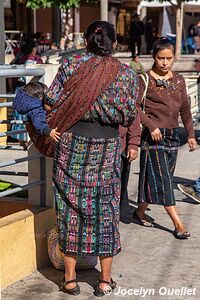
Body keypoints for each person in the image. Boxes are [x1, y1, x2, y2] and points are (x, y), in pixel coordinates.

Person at [39, 21, 138, 296]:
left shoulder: (70, 66)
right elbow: (129, 116)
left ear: (85, 40)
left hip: (70, 145)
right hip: (106, 148)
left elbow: (50, 101)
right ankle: (104, 281)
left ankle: (69, 279)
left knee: (69, 210)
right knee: (106, 211)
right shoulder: (127, 74)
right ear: (115, 44)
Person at [135, 37, 197, 239]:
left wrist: (190, 135)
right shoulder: (144, 79)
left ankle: (140, 210)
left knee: (161, 178)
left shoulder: (178, 80)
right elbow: (133, 107)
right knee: (164, 181)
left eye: (169, 58)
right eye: (161, 58)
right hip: (153, 137)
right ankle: (178, 224)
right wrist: (151, 126)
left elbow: (185, 109)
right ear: (154, 57)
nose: (165, 62)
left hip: (172, 136)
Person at [11, 39, 43, 149]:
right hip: (29, 90)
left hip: (19, 90)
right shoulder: (32, 60)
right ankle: (26, 143)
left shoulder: (19, 59)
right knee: (27, 116)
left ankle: (21, 142)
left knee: (19, 116)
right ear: (33, 49)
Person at [119, 114, 141, 224]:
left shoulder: (126, 97)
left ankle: (123, 210)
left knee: (122, 182)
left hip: (121, 145)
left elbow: (134, 115)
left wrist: (133, 144)